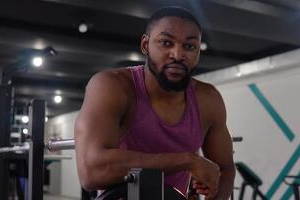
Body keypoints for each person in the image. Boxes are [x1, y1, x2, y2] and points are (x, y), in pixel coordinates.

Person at [75, 6, 235, 200]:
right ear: (145, 44)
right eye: (166, 43)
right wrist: (187, 160)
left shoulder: (208, 99)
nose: (177, 54)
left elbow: (225, 169)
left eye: (189, 46)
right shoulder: (113, 86)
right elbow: (92, 172)